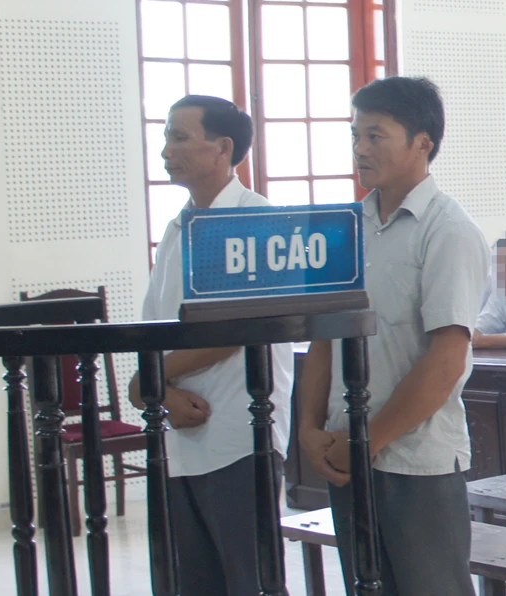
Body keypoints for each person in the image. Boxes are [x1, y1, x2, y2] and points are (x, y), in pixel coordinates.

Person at [299, 77, 489, 596]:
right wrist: (309, 429)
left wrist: (368, 440)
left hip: (415, 461)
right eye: (355, 135)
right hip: (347, 457)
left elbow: (446, 361)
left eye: (375, 136)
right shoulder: (344, 229)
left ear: (422, 143)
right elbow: (322, 340)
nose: (360, 149)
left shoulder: (447, 231)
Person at [127, 95, 294, 596]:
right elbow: (155, 327)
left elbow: (238, 327)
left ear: (222, 148)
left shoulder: (258, 219)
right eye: (166, 138)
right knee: (193, 582)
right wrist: (158, 390)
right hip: (178, 431)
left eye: (180, 138)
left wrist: (150, 382)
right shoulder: (177, 228)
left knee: (251, 579)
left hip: (238, 433)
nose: (166, 151)